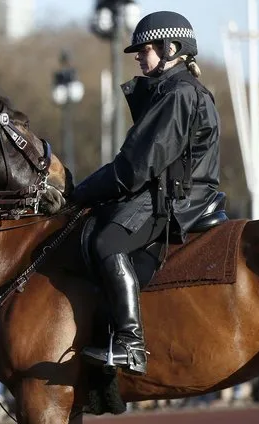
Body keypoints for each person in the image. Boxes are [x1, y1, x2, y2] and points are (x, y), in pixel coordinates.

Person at [69, 11, 220, 375]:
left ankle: (130, 343)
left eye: (145, 49)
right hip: (173, 191)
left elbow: (133, 168)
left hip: (178, 199)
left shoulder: (179, 94)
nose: (138, 56)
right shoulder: (175, 91)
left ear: (171, 48)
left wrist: (77, 194)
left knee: (106, 242)